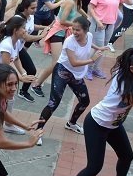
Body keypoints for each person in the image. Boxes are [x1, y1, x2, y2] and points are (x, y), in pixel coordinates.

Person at [37, 17, 107, 145]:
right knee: (54, 102)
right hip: (62, 71)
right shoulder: (69, 41)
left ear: (86, 30)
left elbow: (89, 42)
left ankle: (71, 123)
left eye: (78, 30)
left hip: (77, 74)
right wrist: (92, 60)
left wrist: (99, 48)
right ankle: (38, 131)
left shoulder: (89, 36)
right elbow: (74, 63)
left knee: (85, 101)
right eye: (73, 29)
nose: (74, 32)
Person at [32, 0, 87, 98]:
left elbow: (79, 9)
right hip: (57, 31)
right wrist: (76, 25)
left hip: (65, 32)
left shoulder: (77, 1)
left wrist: (87, 16)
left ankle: (62, 81)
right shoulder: (70, 2)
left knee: (65, 59)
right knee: (56, 62)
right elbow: (62, 21)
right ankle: (36, 84)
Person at [87, 0, 132, 79]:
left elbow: (130, 2)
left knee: (104, 47)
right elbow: (90, 7)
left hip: (110, 24)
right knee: (97, 47)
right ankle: (88, 68)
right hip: (99, 24)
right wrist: (97, 21)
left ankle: (96, 68)